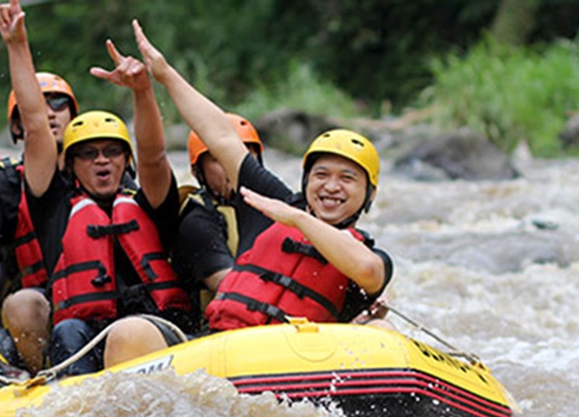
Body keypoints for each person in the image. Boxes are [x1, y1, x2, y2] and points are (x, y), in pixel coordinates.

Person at [0, 0, 194, 375]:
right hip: (84, 334)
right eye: (89, 154)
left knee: (127, 333)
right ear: (72, 165)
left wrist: (142, 91)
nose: (101, 161)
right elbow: (35, 127)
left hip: (154, 333)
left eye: (112, 152)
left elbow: (155, 156)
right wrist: (17, 45)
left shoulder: (149, 201)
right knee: (69, 330)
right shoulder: (54, 207)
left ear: (126, 161)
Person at [133, 21, 393, 331]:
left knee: (382, 331)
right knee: (132, 331)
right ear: (306, 180)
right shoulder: (275, 201)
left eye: (347, 178)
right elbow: (222, 137)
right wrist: (164, 75)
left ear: (370, 193)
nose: (331, 186)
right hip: (223, 344)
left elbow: (367, 269)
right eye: (321, 174)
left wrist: (298, 219)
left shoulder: (370, 256)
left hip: (298, 359)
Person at [0, 72, 78, 373]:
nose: (48, 113)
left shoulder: (104, 172)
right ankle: (45, 374)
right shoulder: (1, 188)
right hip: (37, 303)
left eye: (59, 104)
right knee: (23, 305)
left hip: (97, 295)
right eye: (36, 107)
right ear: (17, 126)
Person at [173, 112, 267, 312]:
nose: (232, 166)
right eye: (218, 159)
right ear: (198, 171)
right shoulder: (197, 220)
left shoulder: (276, 206)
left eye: (244, 157)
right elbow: (229, 288)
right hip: (215, 331)